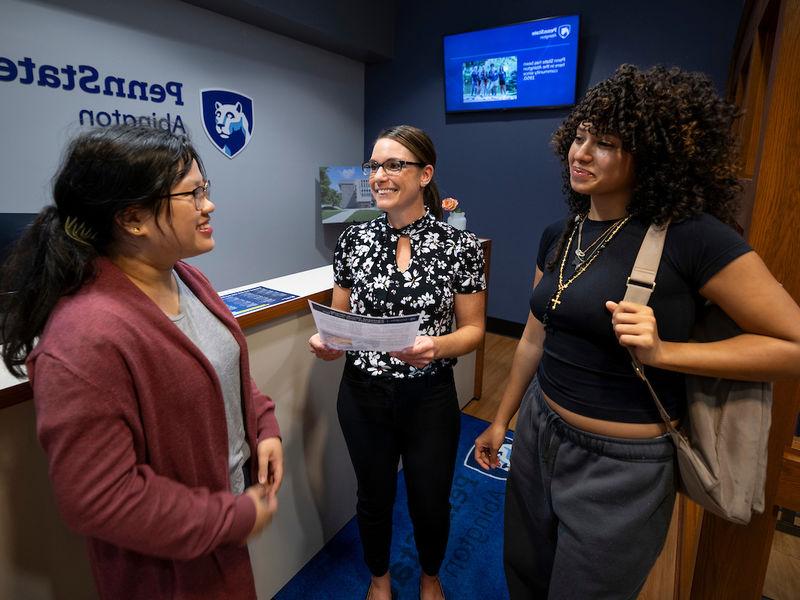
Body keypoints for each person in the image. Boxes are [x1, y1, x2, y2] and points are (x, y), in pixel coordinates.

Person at [474, 64, 800, 599]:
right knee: (525, 575)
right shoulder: (561, 233)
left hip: (620, 466)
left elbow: (791, 346)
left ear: (652, 153)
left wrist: (665, 351)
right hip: (537, 431)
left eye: (604, 142)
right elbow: (535, 335)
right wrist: (503, 419)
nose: (581, 153)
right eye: (578, 137)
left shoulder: (695, 238)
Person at [0, 125, 283, 600]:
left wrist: (263, 425)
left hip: (221, 533)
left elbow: (222, 369)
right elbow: (99, 498)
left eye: (205, 189)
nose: (208, 206)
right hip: (169, 571)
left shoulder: (186, 277)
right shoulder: (84, 336)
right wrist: (231, 517)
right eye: (193, 194)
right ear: (133, 219)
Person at [309, 125, 486, 600]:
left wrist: (436, 346)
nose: (378, 176)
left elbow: (473, 331)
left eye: (393, 165)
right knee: (374, 495)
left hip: (428, 395)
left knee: (431, 499)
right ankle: (379, 580)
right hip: (363, 393)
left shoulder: (459, 247)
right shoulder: (353, 240)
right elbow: (338, 319)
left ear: (425, 174)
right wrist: (328, 342)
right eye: (374, 166)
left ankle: (431, 578)